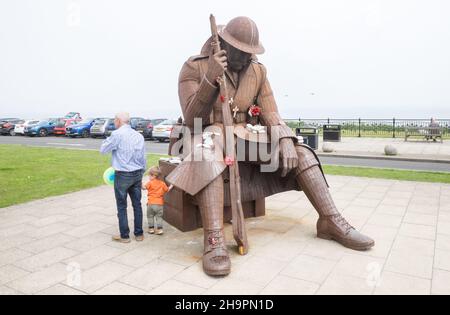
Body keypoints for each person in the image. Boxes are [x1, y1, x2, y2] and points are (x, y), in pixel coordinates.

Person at [167, 16, 375, 276]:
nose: (245, 59)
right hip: (206, 135)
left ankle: (330, 220)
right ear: (225, 45)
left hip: (245, 138)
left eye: (250, 53)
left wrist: (286, 139)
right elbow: (191, 119)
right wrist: (210, 77)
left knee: (300, 151)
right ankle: (214, 239)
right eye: (241, 52)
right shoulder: (193, 67)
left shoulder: (257, 71)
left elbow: (271, 113)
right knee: (208, 152)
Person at [100, 112, 146, 243]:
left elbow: (103, 150)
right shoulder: (139, 135)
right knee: (137, 204)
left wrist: (107, 139)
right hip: (137, 173)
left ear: (118, 121)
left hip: (123, 175)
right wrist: (142, 172)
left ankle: (125, 236)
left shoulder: (117, 134)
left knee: (121, 206)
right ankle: (139, 234)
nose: (114, 122)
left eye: (115, 120)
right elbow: (143, 157)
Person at [142, 166, 172, 235]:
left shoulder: (150, 183)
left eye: (149, 175)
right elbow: (167, 190)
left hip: (150, 204)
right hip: (159, 204)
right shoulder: (162, 183)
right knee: (159, 217)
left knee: (150, 216)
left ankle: (151, 229)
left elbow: (143, 188)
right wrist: (171, 186)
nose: (149, 177)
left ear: (154, 176)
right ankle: (160, 229)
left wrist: (141, 183)